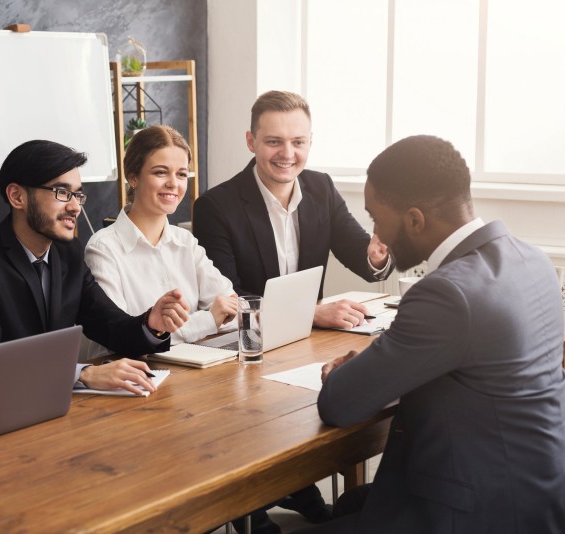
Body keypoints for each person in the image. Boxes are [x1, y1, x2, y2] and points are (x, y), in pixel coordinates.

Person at [314, 135, 565, 533]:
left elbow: (339, 404)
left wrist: (348, 371)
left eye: (376, 219)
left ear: (415, 220)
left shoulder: (447, 293)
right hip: (535, 493)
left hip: (476, 514)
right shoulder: (531, 258)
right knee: (351, 503)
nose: (376, 234)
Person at [0, 140, 190, 396]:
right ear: (17, 196)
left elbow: (110, 326)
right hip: (6, 404)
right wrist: (82, 374)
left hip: (61, 404)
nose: (75, 207)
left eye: (78, 195)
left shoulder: (68, 253)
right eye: (62, 193)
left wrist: (152, 324)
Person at [192, 90, 392, 331]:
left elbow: (360, 254)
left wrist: (377, 256)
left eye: (298, 142)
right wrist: (308, 314)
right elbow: (228, 300)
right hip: (249, 339)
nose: (287, 154)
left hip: (310, 336)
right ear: (251, 141)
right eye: (274, 142)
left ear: (310, 142)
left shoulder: (322, 188)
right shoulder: (214, 207)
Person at [83, 125, 237, 356]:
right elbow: (124, 335)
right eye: (160, 172)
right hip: (131, 370)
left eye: (181, 174)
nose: (173, 183)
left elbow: (231, 309)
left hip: (188, 366)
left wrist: (215, 317)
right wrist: (207, 320)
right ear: (133, 177)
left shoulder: (185, 241)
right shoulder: (103, 248)